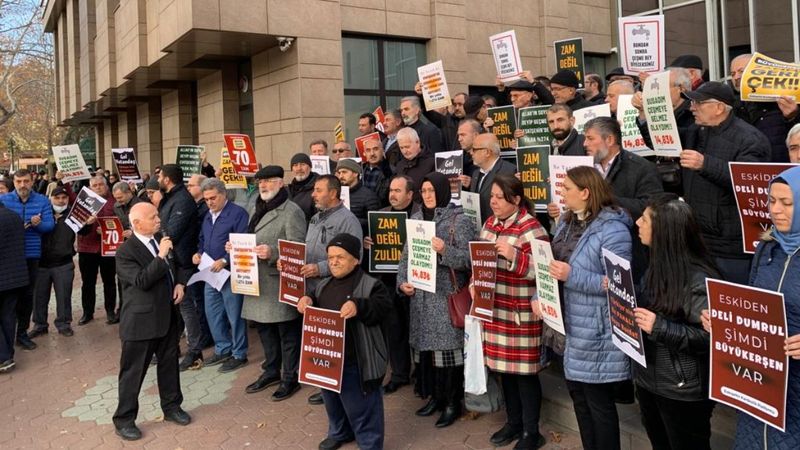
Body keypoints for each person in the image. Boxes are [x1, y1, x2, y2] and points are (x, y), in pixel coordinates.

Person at [702, 165, 800, 449]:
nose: (776, 210)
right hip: (761, 387)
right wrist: (724, 321)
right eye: (772, 200)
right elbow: (752, 306)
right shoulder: (767, 247)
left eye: (787, 203)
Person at [550, 166, 632, 450]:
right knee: (579, 400)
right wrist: (542, 295)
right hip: (569, 325)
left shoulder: (613, 229)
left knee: (599, 404)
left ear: (585, 192)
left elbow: (619, 283)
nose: (561, 193)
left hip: (597, 329)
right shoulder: (566, 222)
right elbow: (552, 264)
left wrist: (572, 276)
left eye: (567, 189)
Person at [633, 194, 719, 450]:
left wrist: (659, 327)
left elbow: (710, 337)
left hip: (682, 390)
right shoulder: (654, 266)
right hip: (649, 380)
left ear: (664, 231)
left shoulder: (699, 279)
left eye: (645, 219)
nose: (637, 223)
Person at [297, 233, 392, 450]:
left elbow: (383, 307)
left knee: (363, 407)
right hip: (327, 360)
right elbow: (313, 298)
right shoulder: (323, 285)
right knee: (332, 402)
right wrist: (307, 299)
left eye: (340, 257)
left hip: (357, 361)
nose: (333, 262)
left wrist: (359, 306)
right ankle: (339, 432)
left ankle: (370, 444)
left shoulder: (371, 285)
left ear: (356, 259)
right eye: (330, 257)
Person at [397, 172, 476, 428]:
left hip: (444, 299)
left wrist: (444, 251)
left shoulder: (459, 220)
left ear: (442, 191)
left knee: (448, 357)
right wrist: (402, 282)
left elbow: (469, 260)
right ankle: (435, 397)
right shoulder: (416, 219)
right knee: (428, 356)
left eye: (432, 190)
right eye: (424, 191)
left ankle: (452, 403)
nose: (427, 195)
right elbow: (406, 257)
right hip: (421, 298)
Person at [479, 174, 548, 449]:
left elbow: (544, 272)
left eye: (500, 197)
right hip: (496, 310)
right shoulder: (489, 224)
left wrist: (514, 255)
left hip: (521, 314)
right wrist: (475, 284)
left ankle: (532, 431)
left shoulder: (531, 228)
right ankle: (513, 422)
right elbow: (479, 261)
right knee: (504, 372)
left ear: (516, 199)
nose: (493, 202)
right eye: (492, 197)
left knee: (525, 375)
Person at [112, 202, 190, 441]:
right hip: (140, 322)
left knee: (169, 366)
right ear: (136, 224)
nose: (158, 220)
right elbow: (141, 281)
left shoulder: (161, 240)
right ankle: (124, 419)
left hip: (167, 316)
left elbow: (177, 266)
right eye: (153, 217)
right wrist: (161, 255)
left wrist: (180, 283)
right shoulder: (125, 252)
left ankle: (172, 407)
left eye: (158, 215)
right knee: (133, 373)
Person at [680, 81, 770, 283]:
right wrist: (643, 118)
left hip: (730, 245)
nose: (692, 108)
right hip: (699, 237)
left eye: (698, 103)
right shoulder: (697, 130)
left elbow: (749, 183)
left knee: (730, 296)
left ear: (719, 107)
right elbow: (663, 139)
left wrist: (705, 164)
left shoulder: (750, 139)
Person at [239, 166, 306, 401]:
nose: (263, 185)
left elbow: (298, 248)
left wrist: (273, 253)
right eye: (260, 182)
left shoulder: (291, 211)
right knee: (266, 331)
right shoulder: (257, 207)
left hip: (278, 282)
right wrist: (237, 247)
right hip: (257, 281)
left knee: (287, 333)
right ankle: (271, 371)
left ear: (280, 183)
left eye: (268, 181)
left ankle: (290, 377)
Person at [301, 174, 363, 406]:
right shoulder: (315, 218)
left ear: (333, 193)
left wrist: (320, 268)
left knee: (338, 344)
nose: (313, 195)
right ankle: (325, 382)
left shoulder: (348, 220)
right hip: (315, 291)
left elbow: (355, 257)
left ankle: (340, 386)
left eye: (318, 190)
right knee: (321, 343)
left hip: (336, 291)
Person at [363, 175, 421, 393]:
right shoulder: (381, 215)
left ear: (410, 194)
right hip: (387, 282)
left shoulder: (420, 216)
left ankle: (420, 372)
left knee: (416, 329)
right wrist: (368, 244)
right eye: (391, 190)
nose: (392, 195)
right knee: (394, 330)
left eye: (398, 191)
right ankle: (399, 374)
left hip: (414, 283)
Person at [193, 178, 250, 372]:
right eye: (206, 199)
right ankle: (223, 348)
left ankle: (239, 353)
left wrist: (225, 259)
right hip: (210, 272)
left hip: (230, 273)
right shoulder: (208, 216)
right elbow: (202, 239)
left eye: (213, 198)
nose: (209, 202)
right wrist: (199, 253)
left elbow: (243, 242)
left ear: (224, 194)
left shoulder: (238, 214)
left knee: (235, 315)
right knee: (213, 312)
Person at [0, 169, 55, 350]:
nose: (22, 185)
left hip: (31, 255)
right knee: (9, 299)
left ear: (32, 182)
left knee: (27, 296)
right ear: (13, 183)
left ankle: (22, 334)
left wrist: (38, 225)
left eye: (26, 181)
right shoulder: (4, 200)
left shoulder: (42, 200)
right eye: (18, 181)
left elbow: (49, 226)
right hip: (9, 256)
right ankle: (7, 338)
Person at [729, 53, 799, 162]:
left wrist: (793, 117)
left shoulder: (786, 99)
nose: (736, 77)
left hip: (783, 166)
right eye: (732, 74)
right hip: (752, 167)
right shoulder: (732, 106)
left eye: (741, 71)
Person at [30, 187, 77, 338]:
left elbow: (84, 231)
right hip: (41, 263)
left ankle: (64, 324)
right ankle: (40, 325)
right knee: (39, 297)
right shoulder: (42, 212)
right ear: (50, 198)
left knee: (64, 296)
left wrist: (88, 223)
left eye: (64, 197)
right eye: (57, 198)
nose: (61, 201)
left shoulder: (73, 214)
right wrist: (34, 222)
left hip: (63, 263)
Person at [179, 173, 213, 369]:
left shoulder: (203, 209)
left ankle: (206, 335)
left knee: (201, 300)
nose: (188, 188)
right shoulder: (195, 206)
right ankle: (205, 335)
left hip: (209, 261)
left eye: (191, 185)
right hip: (198, 257)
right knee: (199, 300)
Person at [0, 201, 28, 373]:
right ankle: (8, 353)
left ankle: (3, 358)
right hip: (16, 277)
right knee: (8, 316)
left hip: (3, 277)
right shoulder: (14, 216)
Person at [465, 133, 517, 225]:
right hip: (480, 229)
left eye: (474, 149)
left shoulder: (509, 171)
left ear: (487, 152)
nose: (471, 152)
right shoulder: (475, 173)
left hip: (500, 228)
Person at [335, 158, 380, 235]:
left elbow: (374, 222)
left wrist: (350, 221)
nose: (341, 176)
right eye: (339, 173)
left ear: (355, 173)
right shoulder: (336, 194)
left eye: (344, 172)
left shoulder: (368, 196)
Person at [393, 127, 435, 202]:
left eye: (407, 147)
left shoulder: (432, 163)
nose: (404, 151)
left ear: (418, 142)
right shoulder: (399, 165)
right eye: (401, 148)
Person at [360, 137, 393, 207]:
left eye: (375, 149)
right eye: (368, 150)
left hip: (381, 210)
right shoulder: (359, 170)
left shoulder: (391, 171)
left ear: (382, 151)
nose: (372, 153)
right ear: (364, 153)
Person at [288, 152, 319, 223]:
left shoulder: (317, 188)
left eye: (303, 164)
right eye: (295, 165)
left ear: (310, 167)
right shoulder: (288, 190)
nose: (299, 168)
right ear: (292, 169)